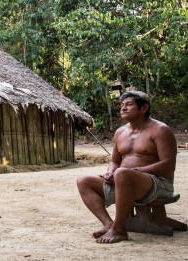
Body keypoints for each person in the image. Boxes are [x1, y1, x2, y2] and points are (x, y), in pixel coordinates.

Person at [76, 91, 177, 244]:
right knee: (84, 181)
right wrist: (110, 172)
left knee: (122, 173)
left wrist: (135, 172)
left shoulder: (160, 130)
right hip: (122, 180)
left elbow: (168, 165)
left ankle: (119, 230)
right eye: (122, 105)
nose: (123, 108)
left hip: (157, 183)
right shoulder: (120, 132)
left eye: (129, 104)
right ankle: (109, 224)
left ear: (144, 108)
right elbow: (115, 161)